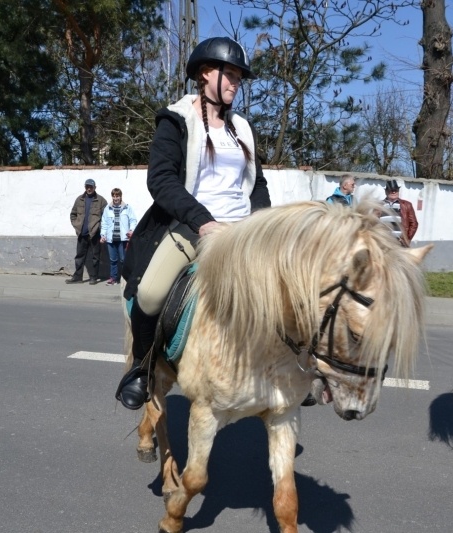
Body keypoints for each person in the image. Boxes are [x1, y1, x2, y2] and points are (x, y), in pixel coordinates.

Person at [115, 36, 271, 411]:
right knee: (150, 294)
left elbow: (257, 185)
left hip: (242, 232)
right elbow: (161, 180)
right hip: (190, 227)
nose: (236, 82)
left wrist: (262, 224)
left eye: (239, 77)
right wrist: (203, 222)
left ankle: (296, 367)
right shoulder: (176, 120)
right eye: (230, 74)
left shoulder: (242, 129)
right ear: (205, 74)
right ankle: (142, 368)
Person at [68, 178, 107, 284]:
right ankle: (78, 277)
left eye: (91, 187)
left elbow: (106, 217)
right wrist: (76, 225)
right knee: (79, 256)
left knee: (95, 257)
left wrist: (99, 229)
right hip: (82, 234)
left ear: (95, 187)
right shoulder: (79, 199)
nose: (89, 189)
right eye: (87, 187)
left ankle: (94, 277)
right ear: (85, 187)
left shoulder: (101, 201)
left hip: (95, 234)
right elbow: (73, 214)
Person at [100, 188, 137, 285]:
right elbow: (104, 223)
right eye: (114, 196)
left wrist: (131, 230)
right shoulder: (107, 209)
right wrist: (103, 235)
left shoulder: (127, 208)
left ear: (121, 196)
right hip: (111, 239)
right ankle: (113, 278)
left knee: (123, 260)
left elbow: (133, 220)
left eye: (117, 196)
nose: (115, 198)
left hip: (123, 239)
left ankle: (125, 279)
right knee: (113, 260)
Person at [382, 180, 418, 247]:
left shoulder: (407, 205)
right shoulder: (378, 205)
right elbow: (373, 222)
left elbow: (414, 224)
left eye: (395, 190)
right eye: (391, 190)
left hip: (400, 244)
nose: (393, 192)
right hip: (383, 242)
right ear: (386, 192)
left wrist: (407, 239)